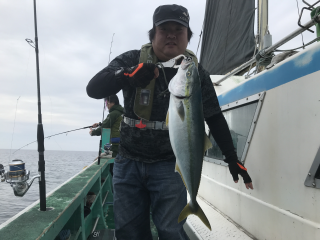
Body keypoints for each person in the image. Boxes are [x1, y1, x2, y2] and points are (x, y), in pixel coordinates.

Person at [86, 4, 253, 240]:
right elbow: (93, 88)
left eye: (179, 30)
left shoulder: (195, 73)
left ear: (187, 38)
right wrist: (126, 75)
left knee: (171, 231)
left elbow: (214, 117)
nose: (172, 35)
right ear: (153, 34)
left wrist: (232, 158)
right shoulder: (132, 59)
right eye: (165, 29)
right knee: (129, 233)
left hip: (170, 165)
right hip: (128, 162)